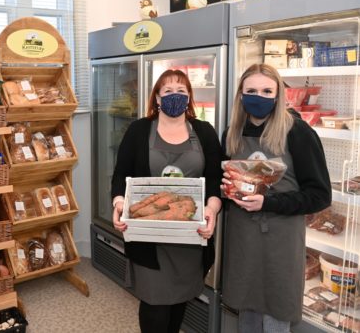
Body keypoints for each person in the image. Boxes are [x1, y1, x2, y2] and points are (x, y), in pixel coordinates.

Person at [221, 63, 331, 333]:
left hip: (281, 238)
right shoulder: (233, 133)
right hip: (243, 235)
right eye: (252, 90)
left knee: (276, 313)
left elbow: (319, 195)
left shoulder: (298, 132)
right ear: (241, 95)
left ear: (278, 94)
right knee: (246, 309)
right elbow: (224, 183)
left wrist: (268, 202)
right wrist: (226, 190)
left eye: (267, 90)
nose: (259, 96)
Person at [111, 69, 223, 333]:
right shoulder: (139, 130)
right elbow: (120, 174)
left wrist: (212, 210)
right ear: (157, 98)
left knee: (178, 304)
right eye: (168, 91)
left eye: (182, 92)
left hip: (189, 238)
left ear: (189, 98)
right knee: (155, 306)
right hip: (150, 236)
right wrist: (119, 203)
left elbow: (215, 180)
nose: (175, 96)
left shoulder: (205, 133)